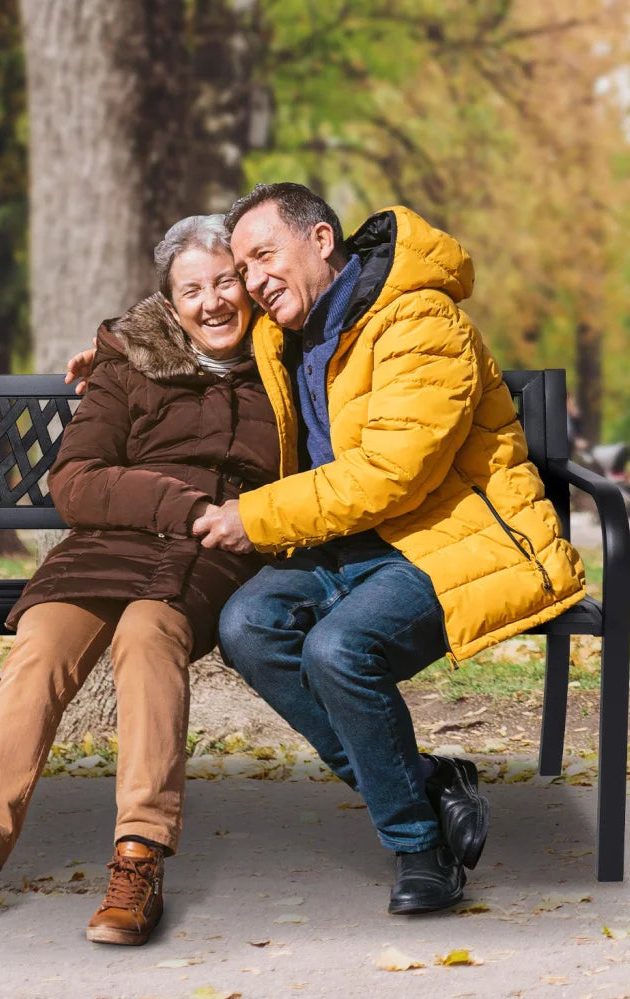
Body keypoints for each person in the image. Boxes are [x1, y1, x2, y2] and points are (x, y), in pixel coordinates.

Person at [187, 183, 587, 914]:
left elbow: (391, 476)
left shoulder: (421, 319)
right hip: (349, 543)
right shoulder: (284, 330)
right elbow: (188, 312)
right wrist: (112, 347)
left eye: (262, 256)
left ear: (320, 241)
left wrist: (258, 516)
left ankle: (418, 847)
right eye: (242, 268)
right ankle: (430, 780)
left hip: (449, 540)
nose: (249, 282)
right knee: (247, 626)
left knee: (336, 652)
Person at [0, 214, 280, 945]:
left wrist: (220, 516)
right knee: (41, 644)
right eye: (191, 289)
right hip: (107, 543)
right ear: (170, 305)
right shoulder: (129, 366)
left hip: (206, 552)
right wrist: (182, 500)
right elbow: (74, 481)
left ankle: (138, 858)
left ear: (248, 285)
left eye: (225, 281)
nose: (212, 302)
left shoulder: (285, 368)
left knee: (148, 635)